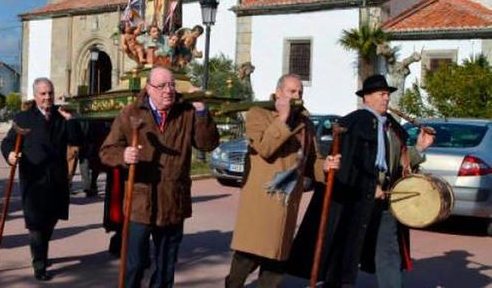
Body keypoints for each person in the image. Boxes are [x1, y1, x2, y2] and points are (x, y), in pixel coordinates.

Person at [288, 74, 435, 287]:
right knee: (343, 251)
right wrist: (369, 186)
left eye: (387, 94)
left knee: (389, 252)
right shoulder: (352, 124)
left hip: (386, 201)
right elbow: (347, 165)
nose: (386, 99)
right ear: (367, 97)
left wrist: (420, 148)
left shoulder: (392, 127)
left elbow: (398, 164)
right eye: (381, 94)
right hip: (355, 202)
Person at [99, 66, 219, 287]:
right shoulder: (131, 113)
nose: (168, 90)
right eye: (162, 86)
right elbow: (107, 151)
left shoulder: (187, 112)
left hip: (173, 200)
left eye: (172, 85)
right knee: (134, 264)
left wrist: (202, 112)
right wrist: (124, 155)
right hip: (140, 202)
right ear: (149, 88)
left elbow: (207, 144)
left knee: (166, 266)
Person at [224, 74, 340, 288]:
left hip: (286, 205)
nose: (297, 96)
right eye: (292, 92)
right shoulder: (257, 114)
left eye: (300, 92)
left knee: (276, 263)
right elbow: (265, 148)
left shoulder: (306, 123)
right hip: (261, 203)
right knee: (246, 260)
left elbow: (311, 160)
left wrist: (325, 167)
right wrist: (282, 118)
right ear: (278, 93)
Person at [0, 77, 83, 281]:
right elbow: (7, 142)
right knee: (36, 225)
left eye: (50, 93)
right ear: (35, 96)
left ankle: (41, 252)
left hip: (56, 180)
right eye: (43, 94)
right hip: (33, 180)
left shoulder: (61, 115)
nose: (47, 97)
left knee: (50, 222)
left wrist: (71, 121)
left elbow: (76, 140)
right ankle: (39, 264)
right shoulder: (24, 117)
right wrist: (10, 155)